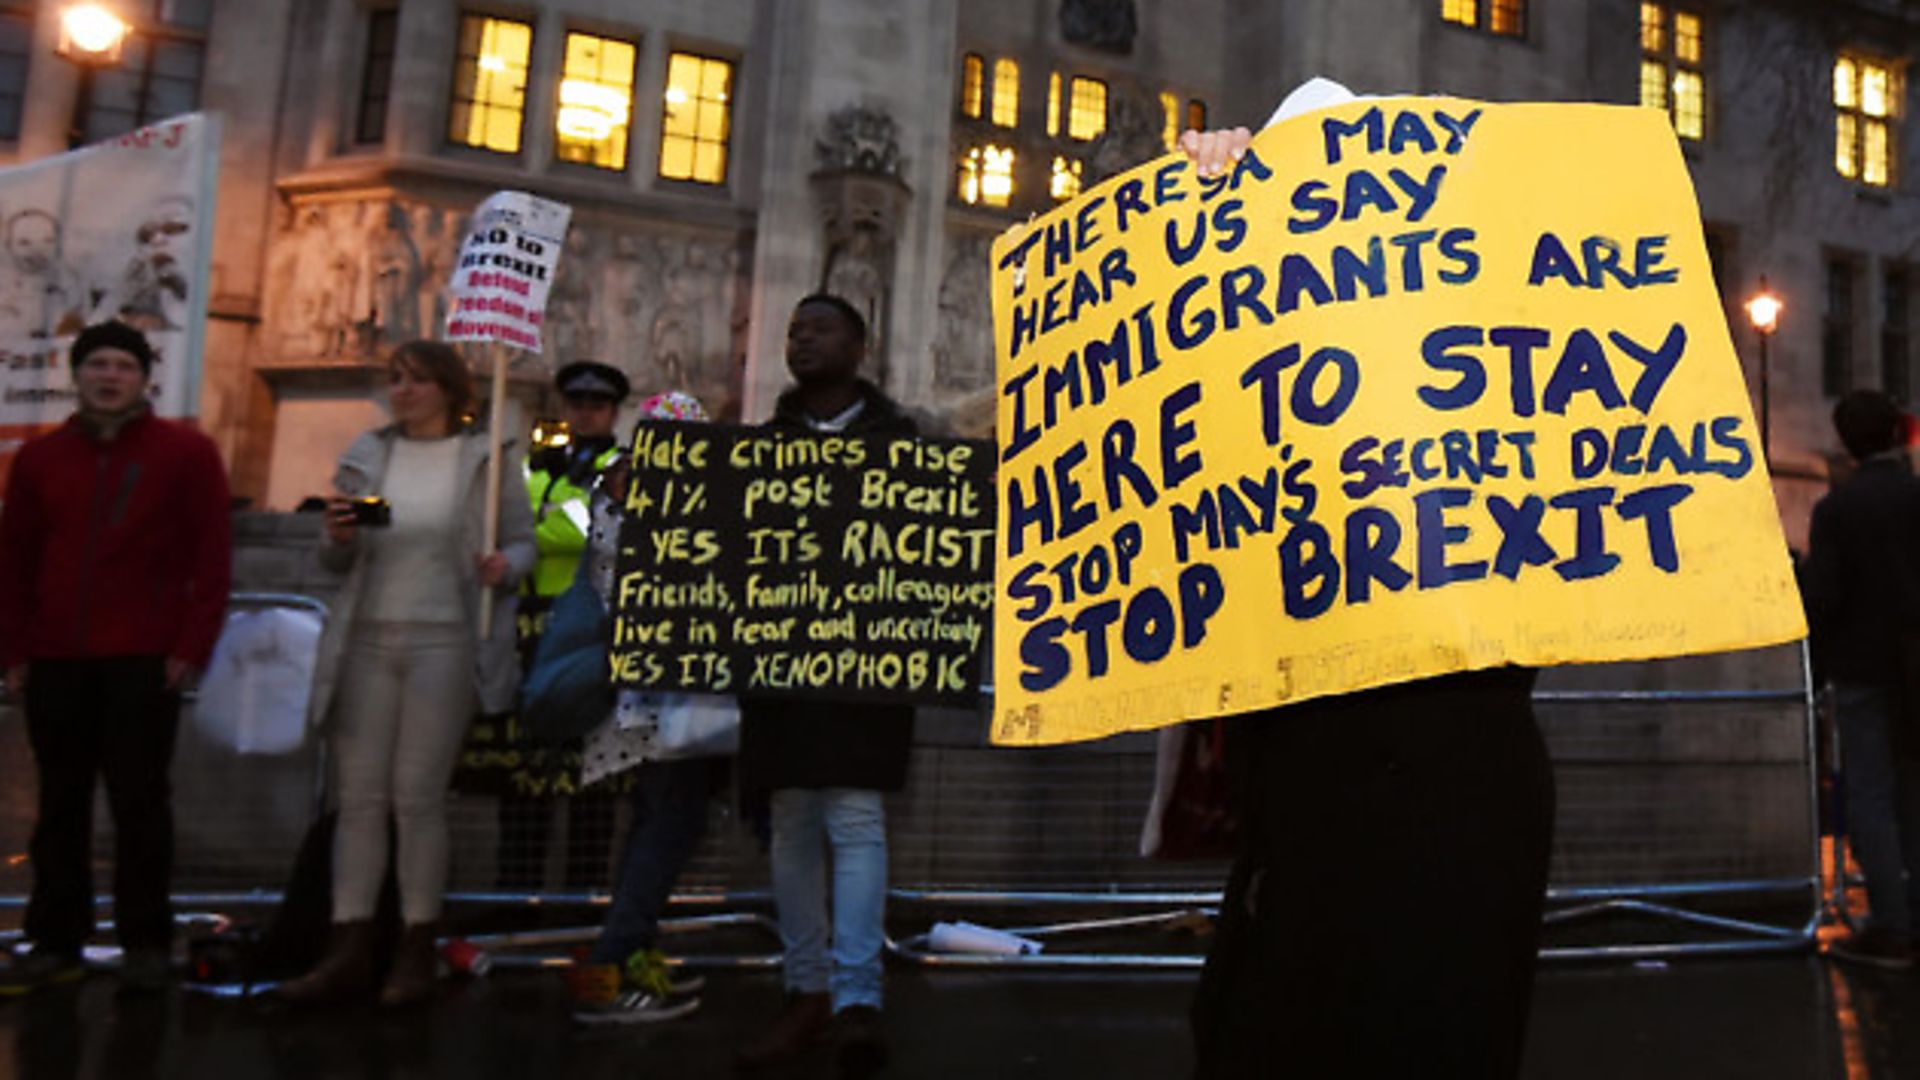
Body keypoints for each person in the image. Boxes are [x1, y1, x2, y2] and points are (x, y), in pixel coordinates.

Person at [1177, 83, 1554, 1078]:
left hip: (1457, 787)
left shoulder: (1482, 355)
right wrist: (1201, 210)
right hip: (1310, 797)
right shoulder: (1268, 384)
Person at [276, 339, 535, 1007]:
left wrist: (506, 565)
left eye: (417, 380)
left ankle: (417, 940)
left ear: (449, 389)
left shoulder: (486, 457)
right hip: (366, 637)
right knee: (358, 798)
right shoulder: (370, 454)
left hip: (443, 640)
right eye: (396, 378)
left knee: (417, 796)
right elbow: (335, 563)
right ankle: (349, 942)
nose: (403, 390)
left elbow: (524, 540)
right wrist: (337, 537)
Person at [0, 320, 232, 995]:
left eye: (122, 366)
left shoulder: (186, 454)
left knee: (140, 807)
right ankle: (55, 938)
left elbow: (210, 559)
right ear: (77, 375)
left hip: (142, 656)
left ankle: (145, 941)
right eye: (97, 364)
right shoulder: (41, 460)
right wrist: (14, 651)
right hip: (56, 658)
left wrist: (189, 647)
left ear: (142, 378)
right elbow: (14, 562)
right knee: (60, 807)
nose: (109, 376)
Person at [734, 295, 916, 1076]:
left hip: (866, 670)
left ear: (859, 345)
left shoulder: (903, 445)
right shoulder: (760, 448)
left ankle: (855, 998)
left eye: (820, 328)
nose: (802, 340)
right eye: (794, 330)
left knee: (854, 819)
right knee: (792, 822)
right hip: (782, 668)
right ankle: (805, 988)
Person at [567, 390, 723, 1025]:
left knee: (655, 819)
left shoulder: (615, 492)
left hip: (642, 691)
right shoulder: (672, 504)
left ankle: (632, 955)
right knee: (674, 822)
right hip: (684, 691)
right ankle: (616, 959)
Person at [488, 360, 631, 892]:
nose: (584, 414)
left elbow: (586, 531)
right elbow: (497, 526)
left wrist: (539, 523)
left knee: (592, 774)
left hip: (590, 630)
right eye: (576, 405)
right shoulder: (535, 466)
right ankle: (514, 892)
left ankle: (582, 895)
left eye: (595, 406)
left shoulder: (622, 465)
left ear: (614, 412)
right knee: (523, 771)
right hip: (528, 625)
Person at [1802, 389, 1920, 969]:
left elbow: (1822, 598)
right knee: (1913, 793)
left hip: (1865, 668)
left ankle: (1892, 925)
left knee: (1870, 796)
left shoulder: (1838, 510)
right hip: (1916, 668)